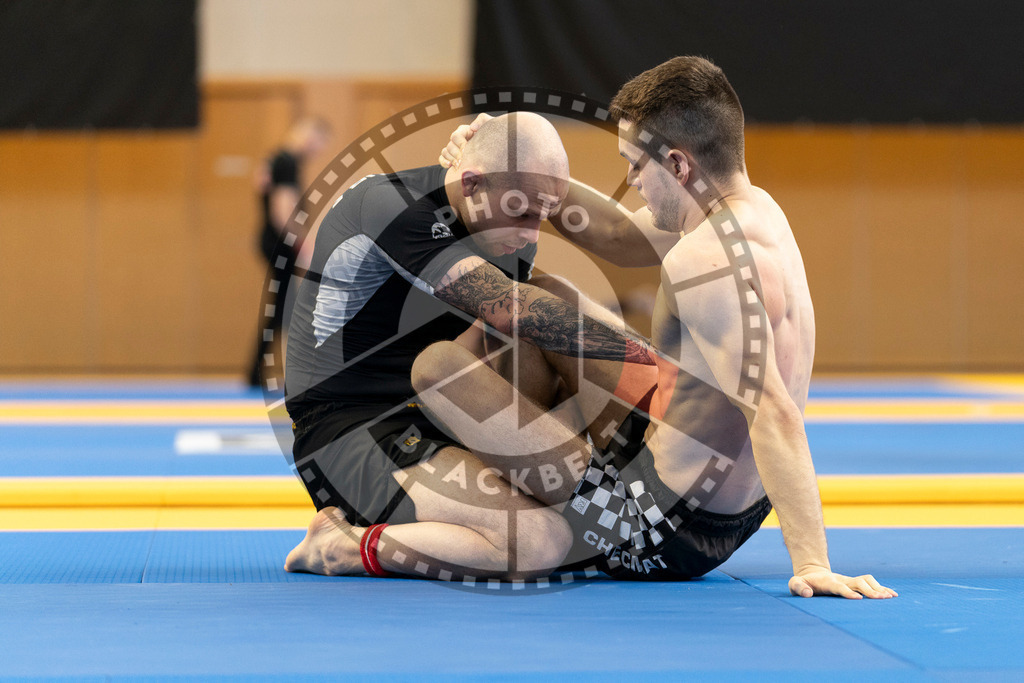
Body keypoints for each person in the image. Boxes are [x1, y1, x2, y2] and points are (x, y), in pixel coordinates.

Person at [416, 56, 896, 599]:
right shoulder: (756, 215)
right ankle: (529, 467)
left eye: (635, 167)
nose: (629, 181)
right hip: (721, 502)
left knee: (439, 367)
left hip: (651, 527)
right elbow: (619, 234)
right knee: (541, 302)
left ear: (678, 163)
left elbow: (774, 412)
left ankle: (436, 505)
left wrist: (812, 562)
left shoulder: (703, 262)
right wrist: (514, 166)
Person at [283, 112, 655, 580]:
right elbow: (509, 308)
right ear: (472, 183)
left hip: (427, 414)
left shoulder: (505, 226)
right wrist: (653, 364)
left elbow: (509, 342)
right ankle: (339, 548)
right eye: (521, 213)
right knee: (540, 542)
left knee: (547, 305)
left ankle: (598, 467)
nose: (530, 233)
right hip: (347, 430)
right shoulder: (390, 205)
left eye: (543, 215)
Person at [247, 115, 332, 388]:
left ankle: (255, 372)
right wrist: (304, 245)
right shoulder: (286, 161)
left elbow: (260, 182)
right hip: (279, 245)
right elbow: (282, 210)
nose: (316, 151)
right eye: (318, 144)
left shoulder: (278, 160)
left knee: (281, 308)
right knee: (288, 308)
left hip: (275, 243)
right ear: (310, 136)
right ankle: (272, 372)